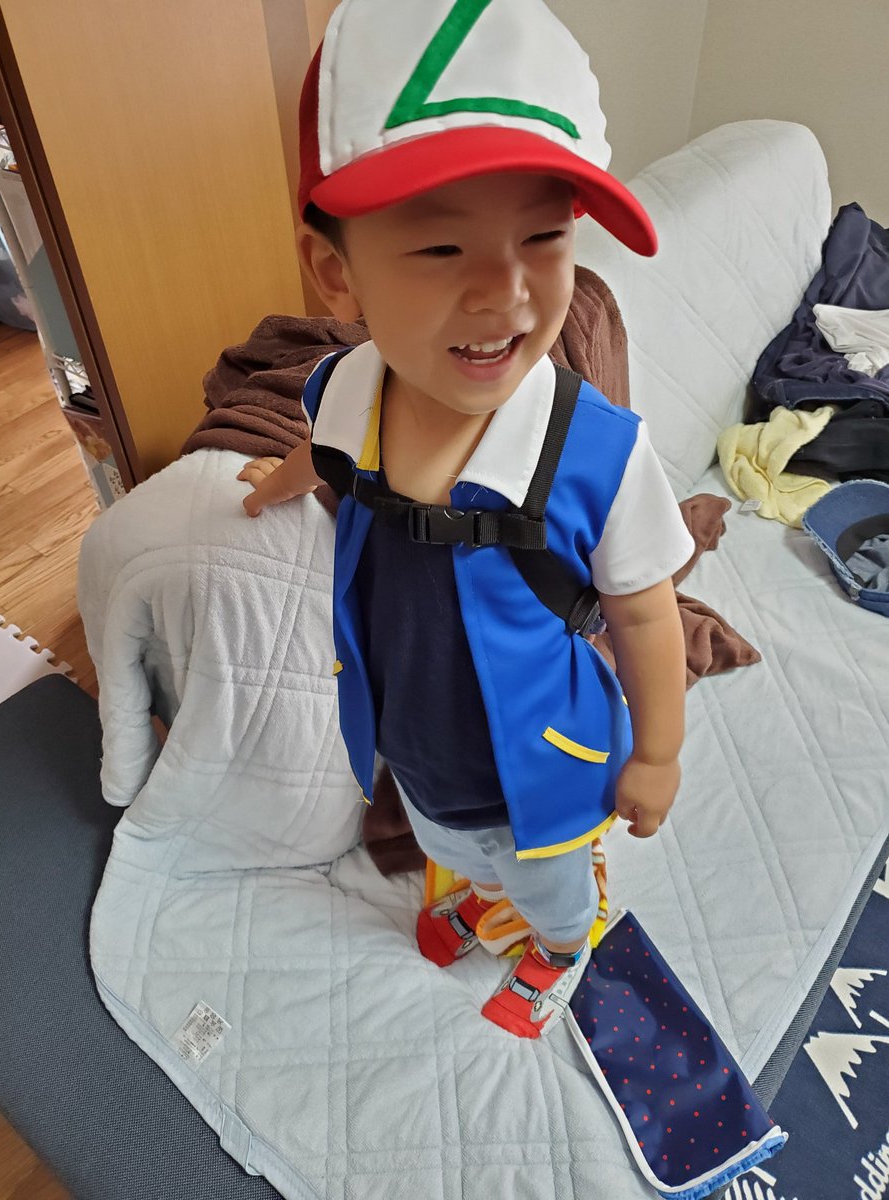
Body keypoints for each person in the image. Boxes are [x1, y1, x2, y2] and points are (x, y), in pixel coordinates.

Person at [240, 0, 695, 1039]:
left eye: (544, 236)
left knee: (545, 878)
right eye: (443, 247)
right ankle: (479, 890)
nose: (505, 292)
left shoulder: (600, 453)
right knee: (447, 837)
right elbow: (325, 453)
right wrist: (277, 483)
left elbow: (647, 611)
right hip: (413, 738)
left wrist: (658, 753)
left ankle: (560, 946)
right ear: (337, 274)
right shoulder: (346, 390)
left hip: (544, 762)